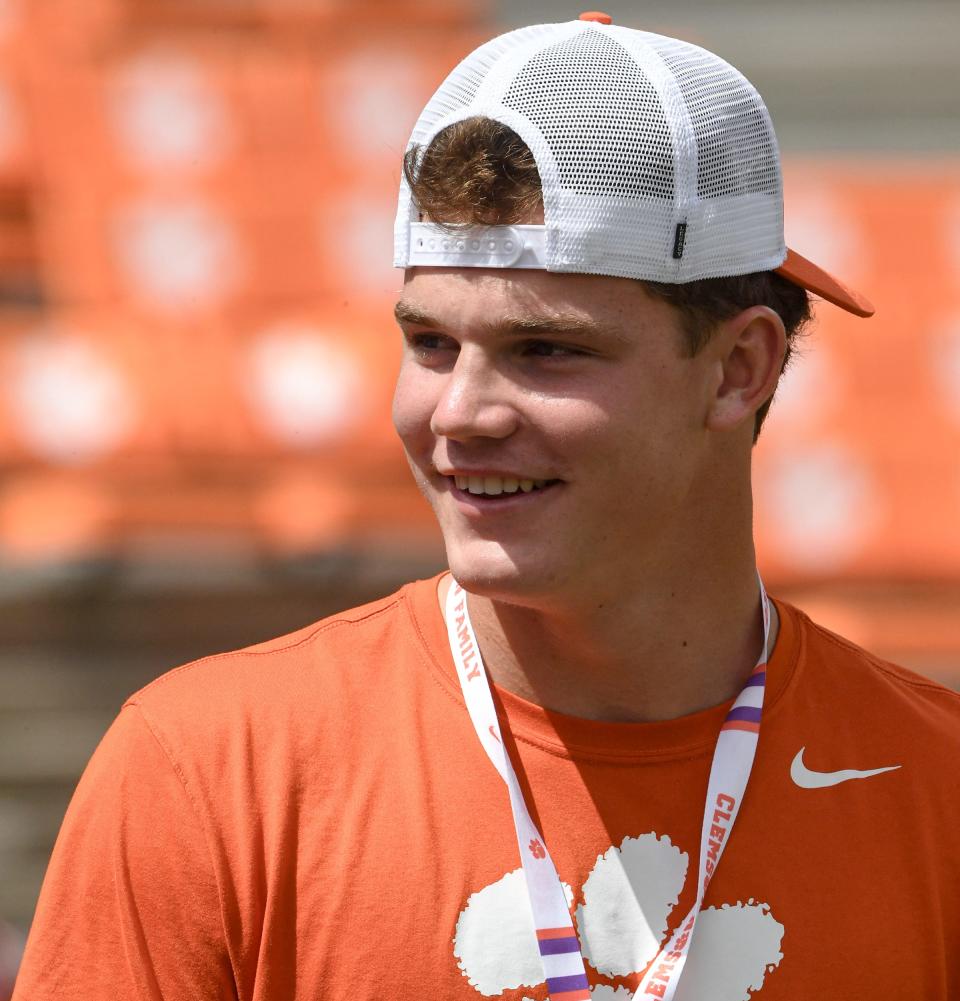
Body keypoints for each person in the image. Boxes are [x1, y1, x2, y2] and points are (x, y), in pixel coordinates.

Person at [13, 12, 960, 1001]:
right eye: (429, 343)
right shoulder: (208, 775)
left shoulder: (937, 792)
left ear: (737, 368)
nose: (457, 413)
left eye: (545, 349)